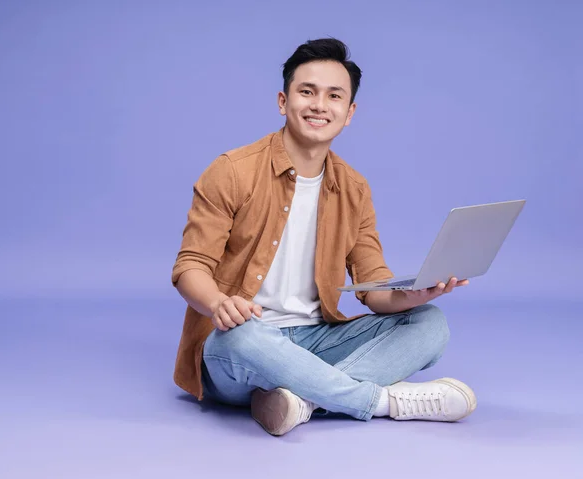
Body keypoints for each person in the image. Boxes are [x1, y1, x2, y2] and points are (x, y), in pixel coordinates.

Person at [171, 38, 476, 436]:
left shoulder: (354, 188)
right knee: (237, 339)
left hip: (317, 339)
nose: (319, 105)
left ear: (349, 113)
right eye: (307, 92)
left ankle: (301, 400)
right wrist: (217, 303)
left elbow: (373, 287)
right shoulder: (232, 171)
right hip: (245, 342)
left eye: (334, 96)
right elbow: (189, 266)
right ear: (283, 101)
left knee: (430, 325)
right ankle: (382, 402)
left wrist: (412, 295)